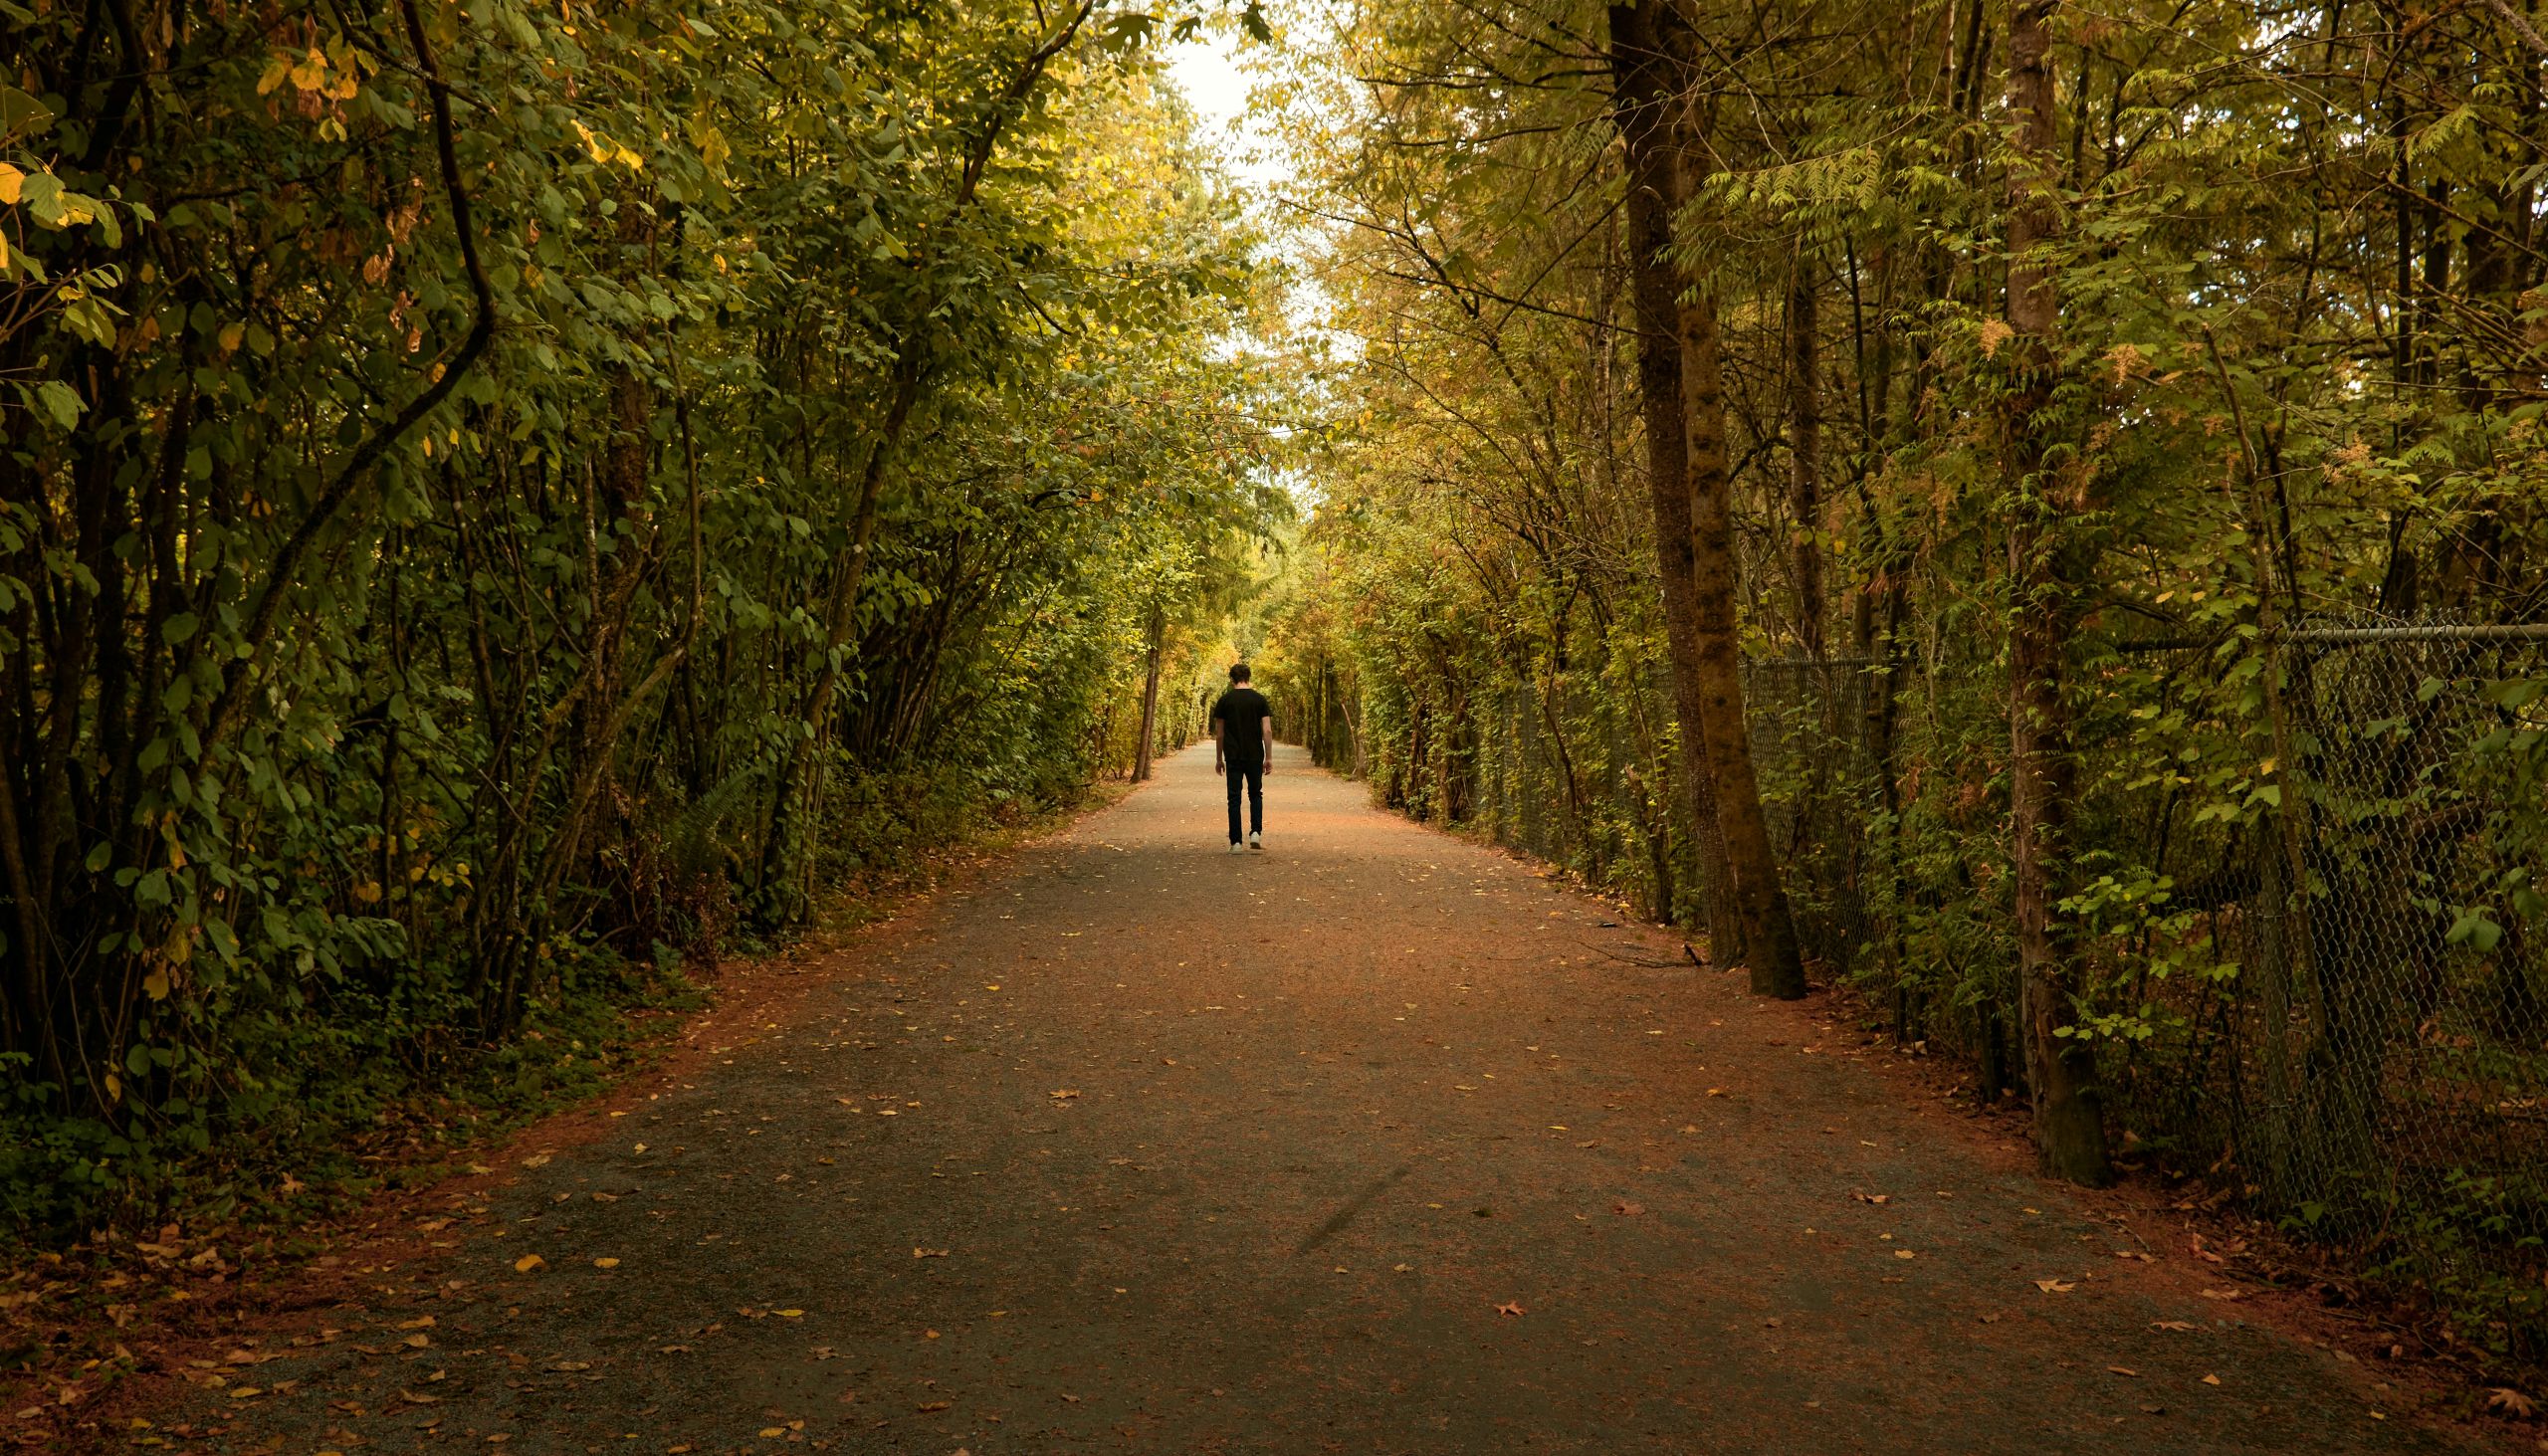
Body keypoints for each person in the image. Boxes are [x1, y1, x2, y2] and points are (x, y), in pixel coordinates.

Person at [1209, 664, 1272, 854]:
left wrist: (1219, 758)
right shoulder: (1260, 700)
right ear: (1249, 677)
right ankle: (1255, 833)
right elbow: (1267, 730)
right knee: (1255, 794)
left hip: (1233, 755)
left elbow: (1219, 734)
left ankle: (1236, 843)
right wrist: (1268, 757)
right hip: (1254, 755)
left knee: (1234, 798)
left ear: (1232, 679)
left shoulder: (1225, 701)